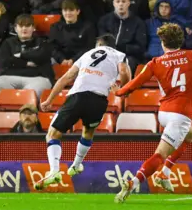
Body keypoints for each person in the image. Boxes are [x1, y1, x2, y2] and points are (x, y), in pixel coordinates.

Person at [114, 23, 192, 203]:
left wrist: (117, 92)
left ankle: (165, 173)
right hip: (181, 114)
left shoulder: (155, 62)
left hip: (163, 113)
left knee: (190, 134)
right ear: (181, 40)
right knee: (160, 155)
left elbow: (133, 85)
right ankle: (134, 182)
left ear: (163, 43)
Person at [34, 34, 131, 190]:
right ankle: (76, 165)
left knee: (53, 134)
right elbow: (124, 71)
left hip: (78, 96)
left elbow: (67, 77)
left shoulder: (87, 54)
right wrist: (122, 90)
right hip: (99, 100)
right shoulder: (119, 55)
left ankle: (54, 171)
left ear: (98, 44)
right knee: (88, 131)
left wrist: (49, 99)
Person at [0, 14, 54, 98]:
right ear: (15, 28)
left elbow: (41, 56)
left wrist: (20, 55)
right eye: (21, 26)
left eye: (27, 25)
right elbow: (5, 60)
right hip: (9, 76)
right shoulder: (7, 43)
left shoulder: (42, 42)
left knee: (32, 92)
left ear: (33, 28)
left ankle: (29, 110)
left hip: (37, 77)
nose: (24, 28)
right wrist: (26, 63)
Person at [98, 0, 147, 72]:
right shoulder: (104, 20)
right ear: (113, 3)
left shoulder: (138, 23)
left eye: (123, 1)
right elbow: (102, 41)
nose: (121, 4)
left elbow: (140, 47)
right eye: (118, 1)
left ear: (129, 3)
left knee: (127, 63)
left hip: (128, 56)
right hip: (108, 55)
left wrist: (121, 48)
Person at [49, 0, 96, 65]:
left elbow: (89, 47)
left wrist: (73, 60)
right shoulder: (55, 27)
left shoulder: (88, 27)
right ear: (62, 12)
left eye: (71, 10)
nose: (68, 13)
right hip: (60, 60)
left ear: (78, 11)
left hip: (82, 60)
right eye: (65, 10)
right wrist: (61, 59)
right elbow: (52, 47)